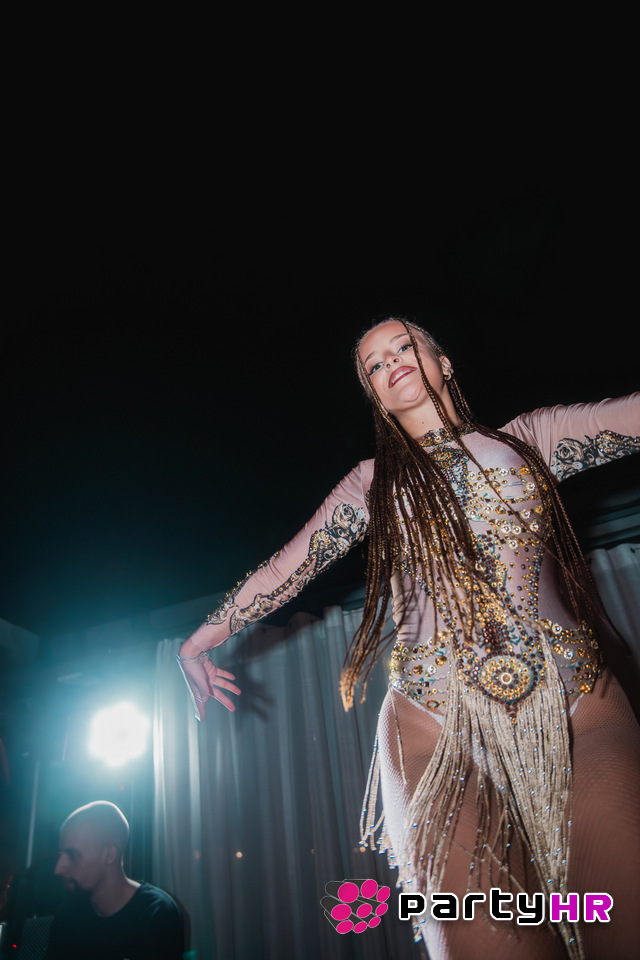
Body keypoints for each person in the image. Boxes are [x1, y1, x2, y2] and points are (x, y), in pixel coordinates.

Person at [177, 318, 640, 960]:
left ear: (442, 362)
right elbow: (289, 567)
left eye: (404, 346)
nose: (390, 362)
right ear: (373, 393)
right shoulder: (371, 484)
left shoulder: (536, 438)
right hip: (434, 726)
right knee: (489, 937)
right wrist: (195, 644)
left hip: (577, 705)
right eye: (373, 364)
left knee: (623, 918)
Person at [46, 801, 184, 960]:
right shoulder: (68, 916)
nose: (58, 868)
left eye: (73, 855)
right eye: (61, 855)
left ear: (109, 855)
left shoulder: (156, 914)